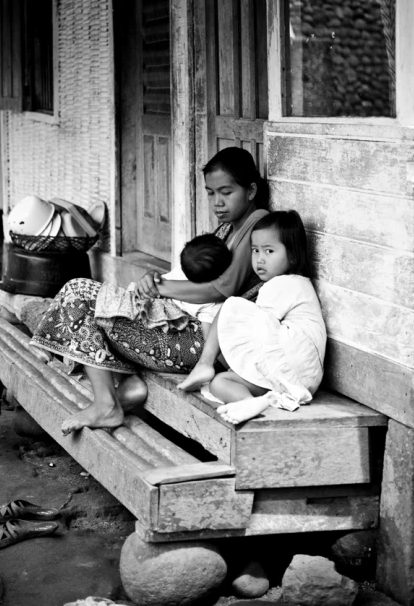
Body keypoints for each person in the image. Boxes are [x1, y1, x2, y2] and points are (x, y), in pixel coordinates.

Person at [30, 147, 269, 435]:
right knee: (81, 294)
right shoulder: (226, 229)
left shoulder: (258, 223)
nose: (217, 202)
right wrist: (153, 280)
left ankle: (108, 403)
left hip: (198, 345)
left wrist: (159, 288)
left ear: (251, 190)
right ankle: (119, 393)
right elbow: (195, 278)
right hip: (180, 327)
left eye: (226, 192)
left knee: (80, 292)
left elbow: (223, 288)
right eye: (210, 193)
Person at [178, 211, 326, 425]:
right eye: (255, 250)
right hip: (302, 379)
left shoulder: (284, 284)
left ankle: (205, 362)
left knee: (229, 307)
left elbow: (254, 328)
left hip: (289, 364)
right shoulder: (300, 284)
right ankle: (249, 403)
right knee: (220, 382)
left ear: (293, 255)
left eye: (269, 251)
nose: (260, 259)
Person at [94, 234, 232, 339]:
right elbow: (210, 336)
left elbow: (152, 282)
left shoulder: (181, 274)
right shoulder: (211, 304)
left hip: (137, 308)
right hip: (147, 314)